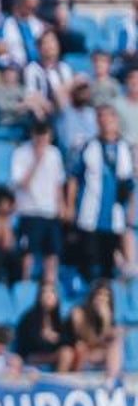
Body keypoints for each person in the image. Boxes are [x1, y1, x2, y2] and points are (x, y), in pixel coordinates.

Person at [68, 104, 134, 281]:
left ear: (116, 120)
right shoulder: (89, 146)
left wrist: (130, 211)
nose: (106, 122)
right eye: (101, 118)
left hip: (115, 216)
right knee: (88, 261)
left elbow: (129, 184)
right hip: (89, 214)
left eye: (109, 118)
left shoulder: (125, 148)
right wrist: (70, 206)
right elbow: (74, 178)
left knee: (108, 265)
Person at [11, 121, 66, 281]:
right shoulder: (21, 153)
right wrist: (36, 160)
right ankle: (25, 282)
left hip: (50, 211)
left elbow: (58, 181)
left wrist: (61, 203)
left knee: (52, 253)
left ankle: (51, 284)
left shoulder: (54, 153)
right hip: (30, 210)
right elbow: (22, 183)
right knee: (28, 253)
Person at [56, 280, 122, 377]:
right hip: (71, 350)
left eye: (106, 296)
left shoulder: (107, 316)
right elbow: (85, 339)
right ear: (92, 296)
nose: (102, 299)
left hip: (92, 353)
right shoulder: (78, 312)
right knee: (81, 347)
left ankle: (111, 381)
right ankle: (74, 381)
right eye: (99, 294)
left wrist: (106, 322)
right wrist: (105, 322)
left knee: (115, 346)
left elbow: (107, 341)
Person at [15, 279, 67, 369]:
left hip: (50, 354)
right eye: (44, 292)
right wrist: (43, 337)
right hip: (30, 356)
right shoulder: (29, 317)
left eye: (52, 292)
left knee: (68, 352)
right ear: (39, 296)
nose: (48, 296)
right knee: (65, 354)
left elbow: (66, 339)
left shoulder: (58, 318)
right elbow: (26, 345)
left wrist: (55, 338)